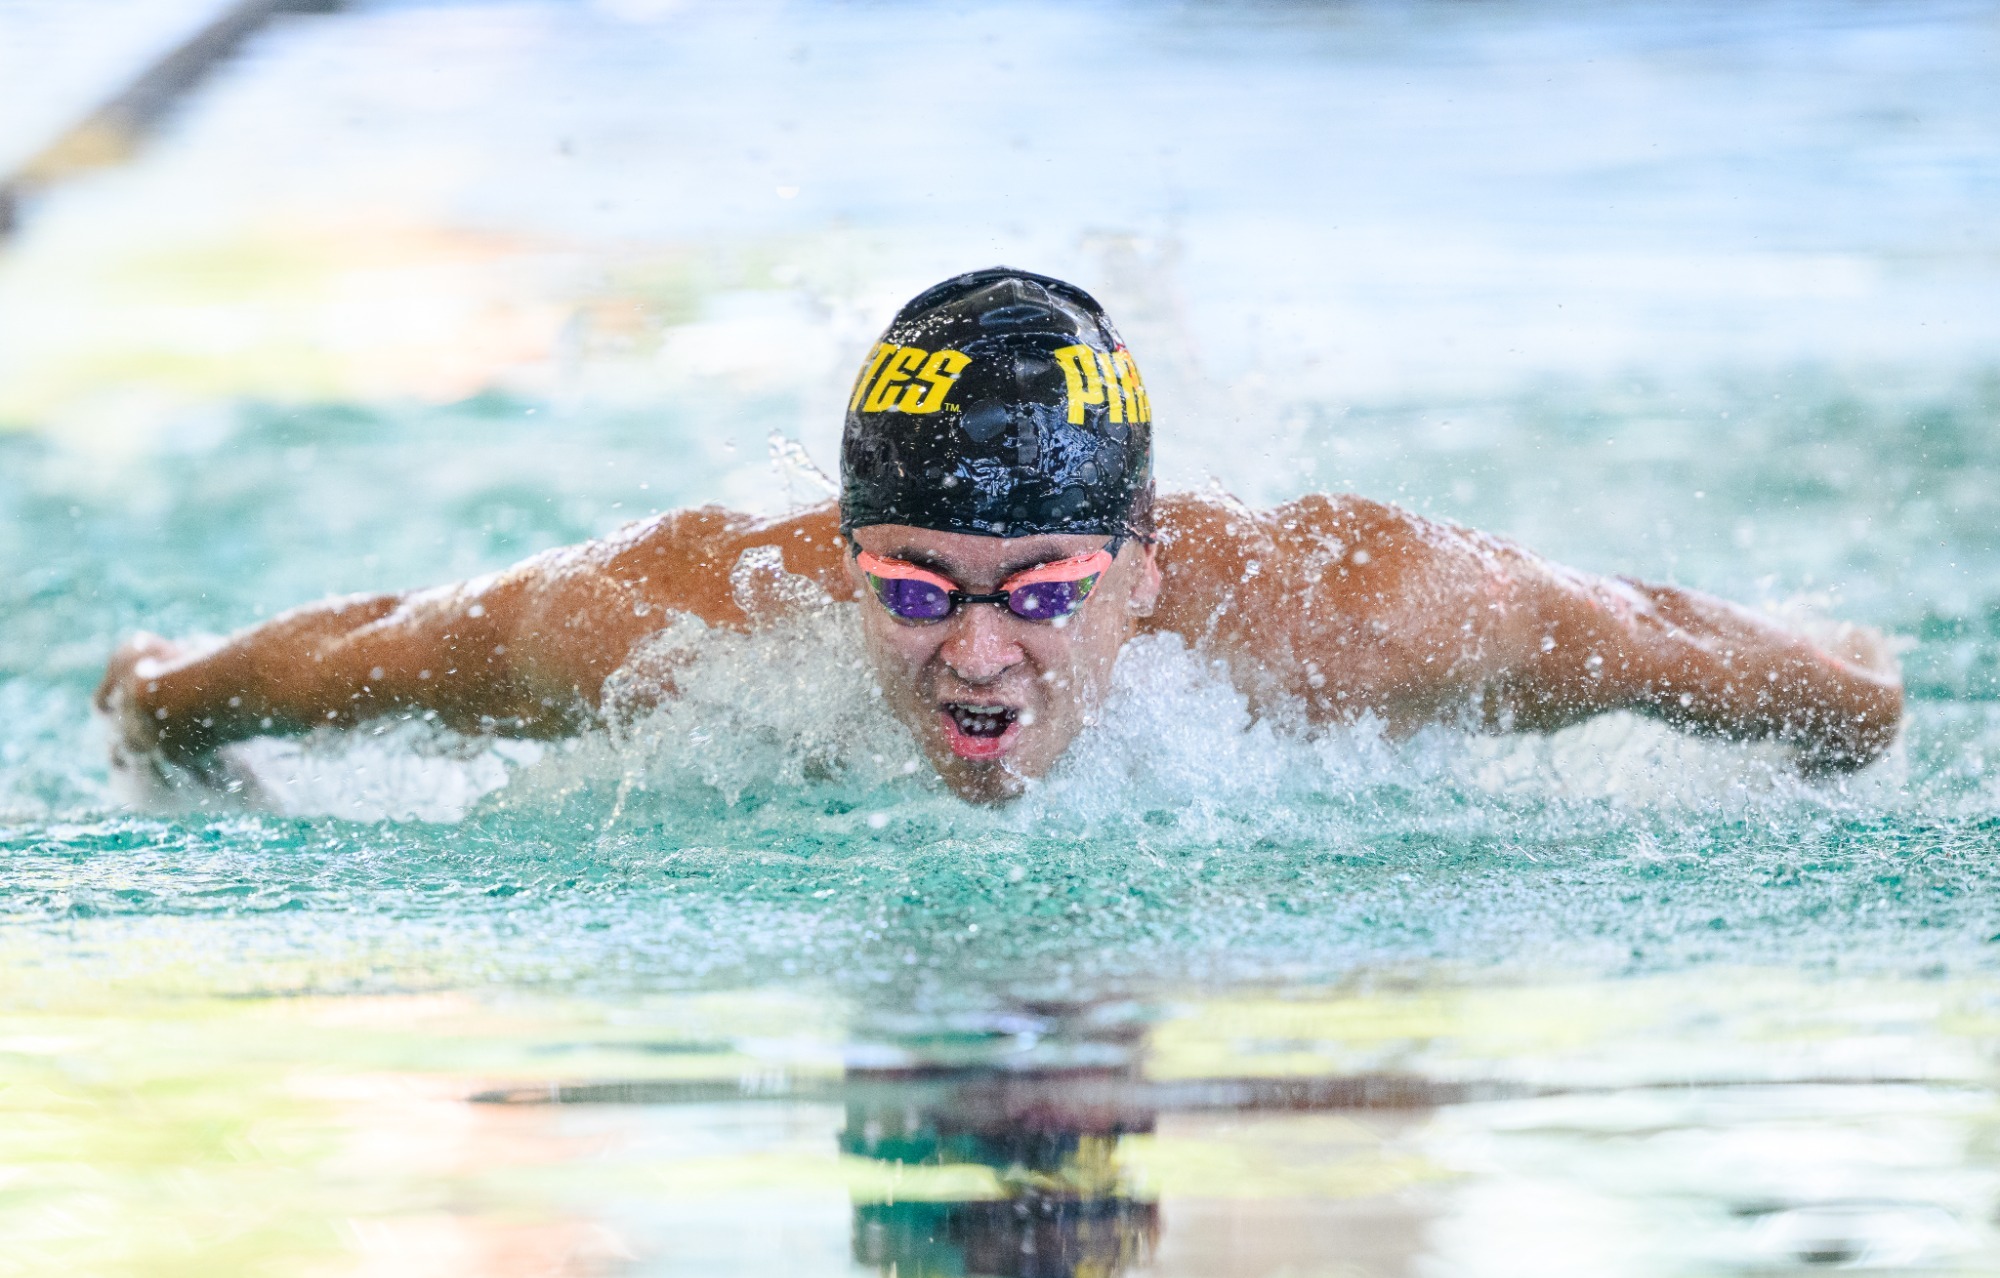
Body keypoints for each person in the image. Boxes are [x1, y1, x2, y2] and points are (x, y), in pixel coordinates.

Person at [96, 268, 1903, 805]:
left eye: (1040, 591)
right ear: (842, 548)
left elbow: (1690, 646)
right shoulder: (679, 616)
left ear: (1137, 566)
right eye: (911, 589)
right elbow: (378, 649)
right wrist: (167, 697)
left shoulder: (1350, 616)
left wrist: (1847, 693)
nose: (974, 655)